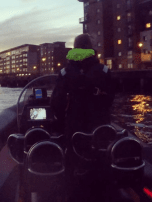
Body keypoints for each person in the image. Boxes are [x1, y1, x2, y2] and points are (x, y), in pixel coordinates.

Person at [50, 34, 115, 201]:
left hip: (74, 129)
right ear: (91, 49)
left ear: (75, 49)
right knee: (101, 164)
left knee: (72, 166)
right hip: (99, 129)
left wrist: (63, 121)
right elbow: (110, 100)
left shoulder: (65, 73)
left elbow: (56, 102)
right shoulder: (104, 71)